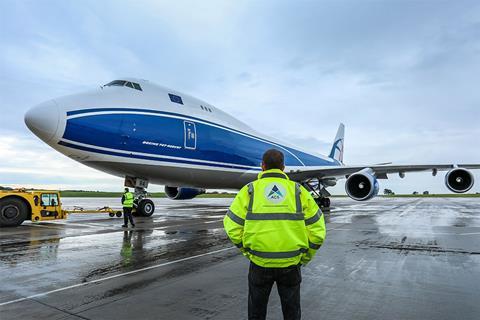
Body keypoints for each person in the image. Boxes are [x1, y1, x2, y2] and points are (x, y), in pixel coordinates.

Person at [224, 149, 326, 320]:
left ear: (262, 166)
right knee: (292, 312)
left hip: (259, 263)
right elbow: (318, 232)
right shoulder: (298, 191)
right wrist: (304, 258)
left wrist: (248, 251)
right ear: (283, 168)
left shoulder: (249, 191)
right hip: (291, 264)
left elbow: (232, 227)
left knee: (256, 312)